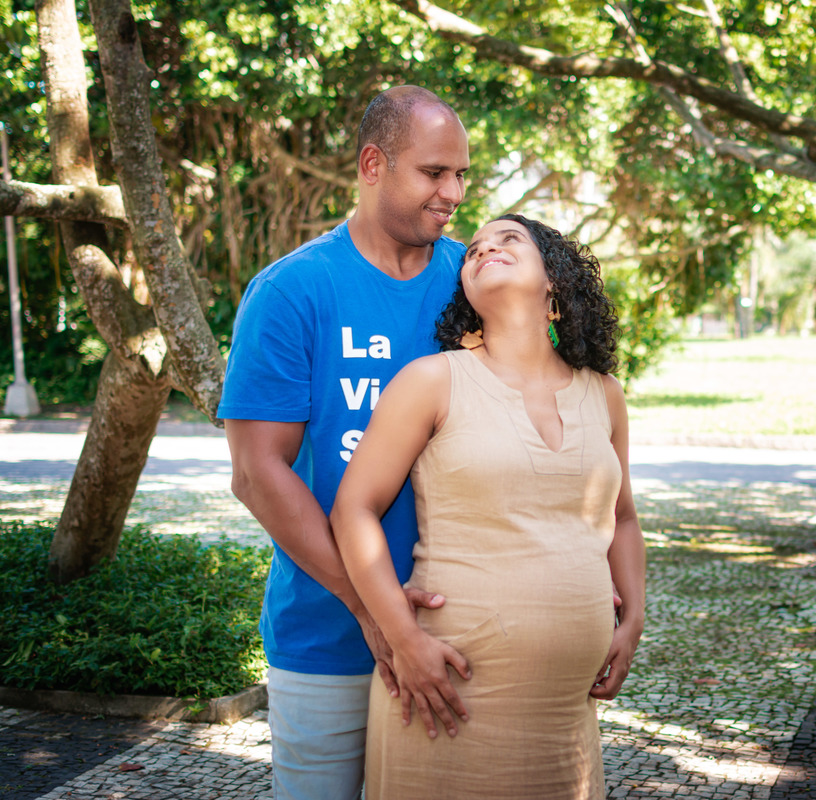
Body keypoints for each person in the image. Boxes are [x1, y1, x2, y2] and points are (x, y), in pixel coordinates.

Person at [330, 214, 647, 799]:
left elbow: (622, 517)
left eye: (509, 240)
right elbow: (354, 509)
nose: (484, 249)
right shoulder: (432, 380)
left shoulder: (603, 392)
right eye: (474, 248)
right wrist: (406, 640)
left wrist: (633, 620)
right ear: (467, 294)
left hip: (564, 717)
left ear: (555, 280)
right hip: (445, 689)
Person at [217, 86, 471, 800]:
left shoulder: (471, 283)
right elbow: (257, 472)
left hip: (460, 631)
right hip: (325, 638)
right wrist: (374, 614)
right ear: (372, 164)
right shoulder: (293, 291)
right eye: (433, 173)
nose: (452, 193)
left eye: (461, 176)